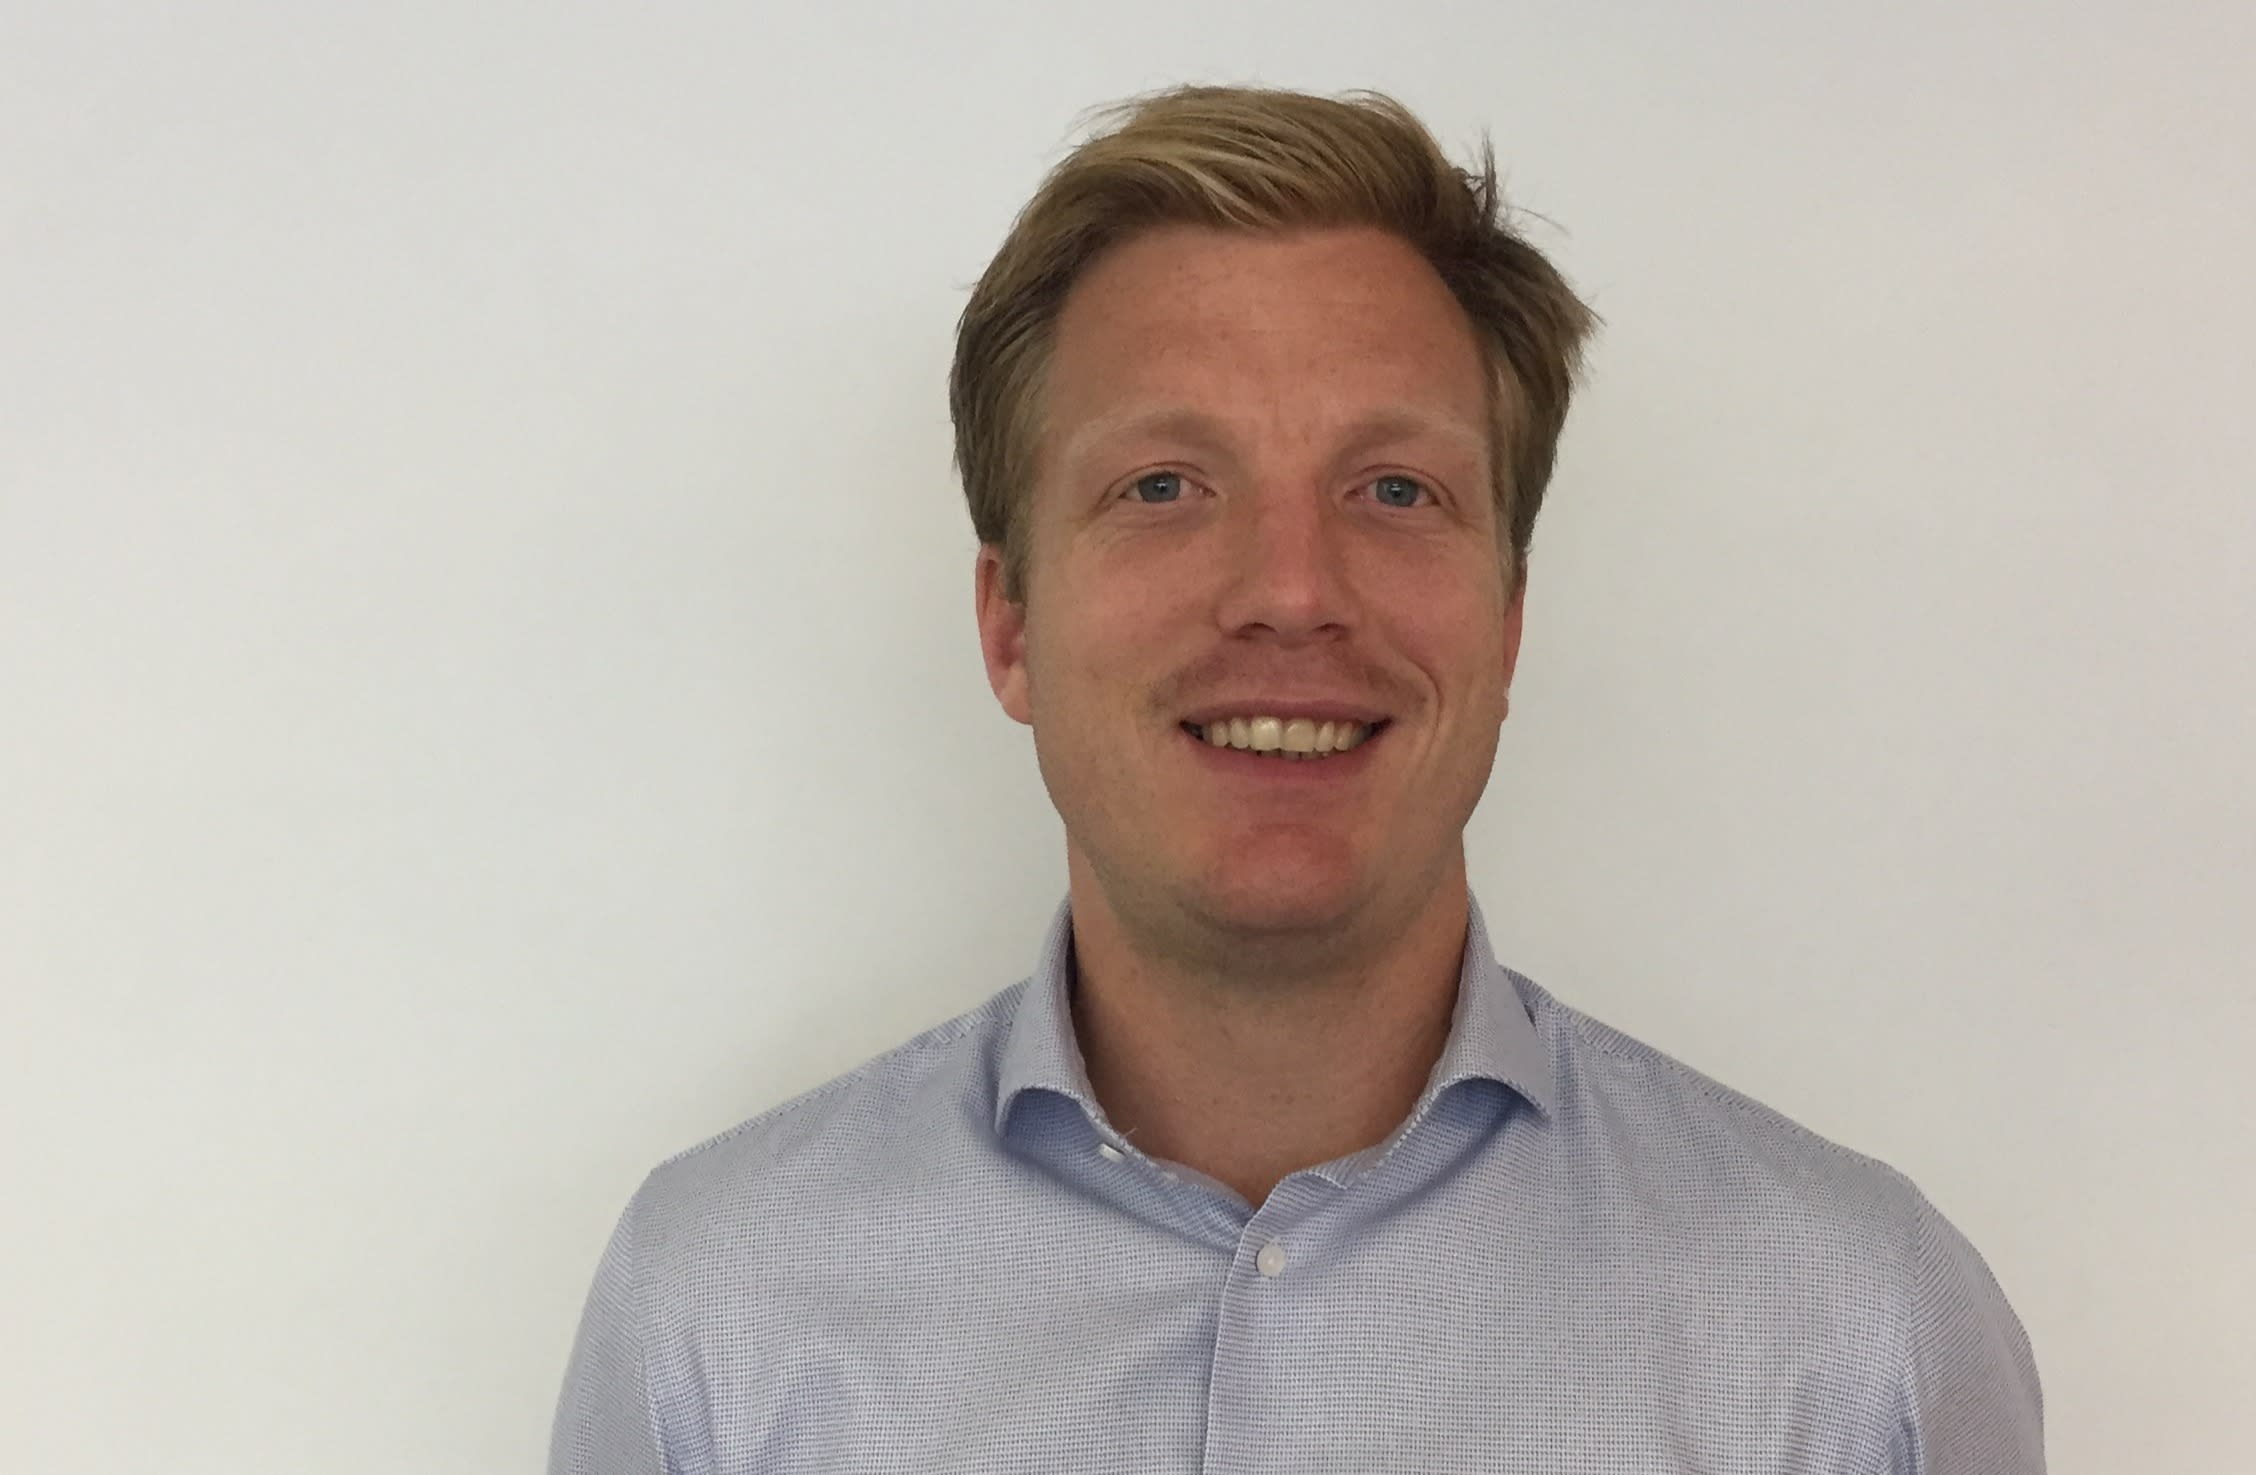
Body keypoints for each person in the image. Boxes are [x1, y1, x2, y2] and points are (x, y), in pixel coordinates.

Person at [549, 83, 2045, 1474]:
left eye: (1394, 489)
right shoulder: (713, 1316)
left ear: (1507, 621)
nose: (1290, 590)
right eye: (1162, 487)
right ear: (1009, 627)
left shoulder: (1858, 1339)